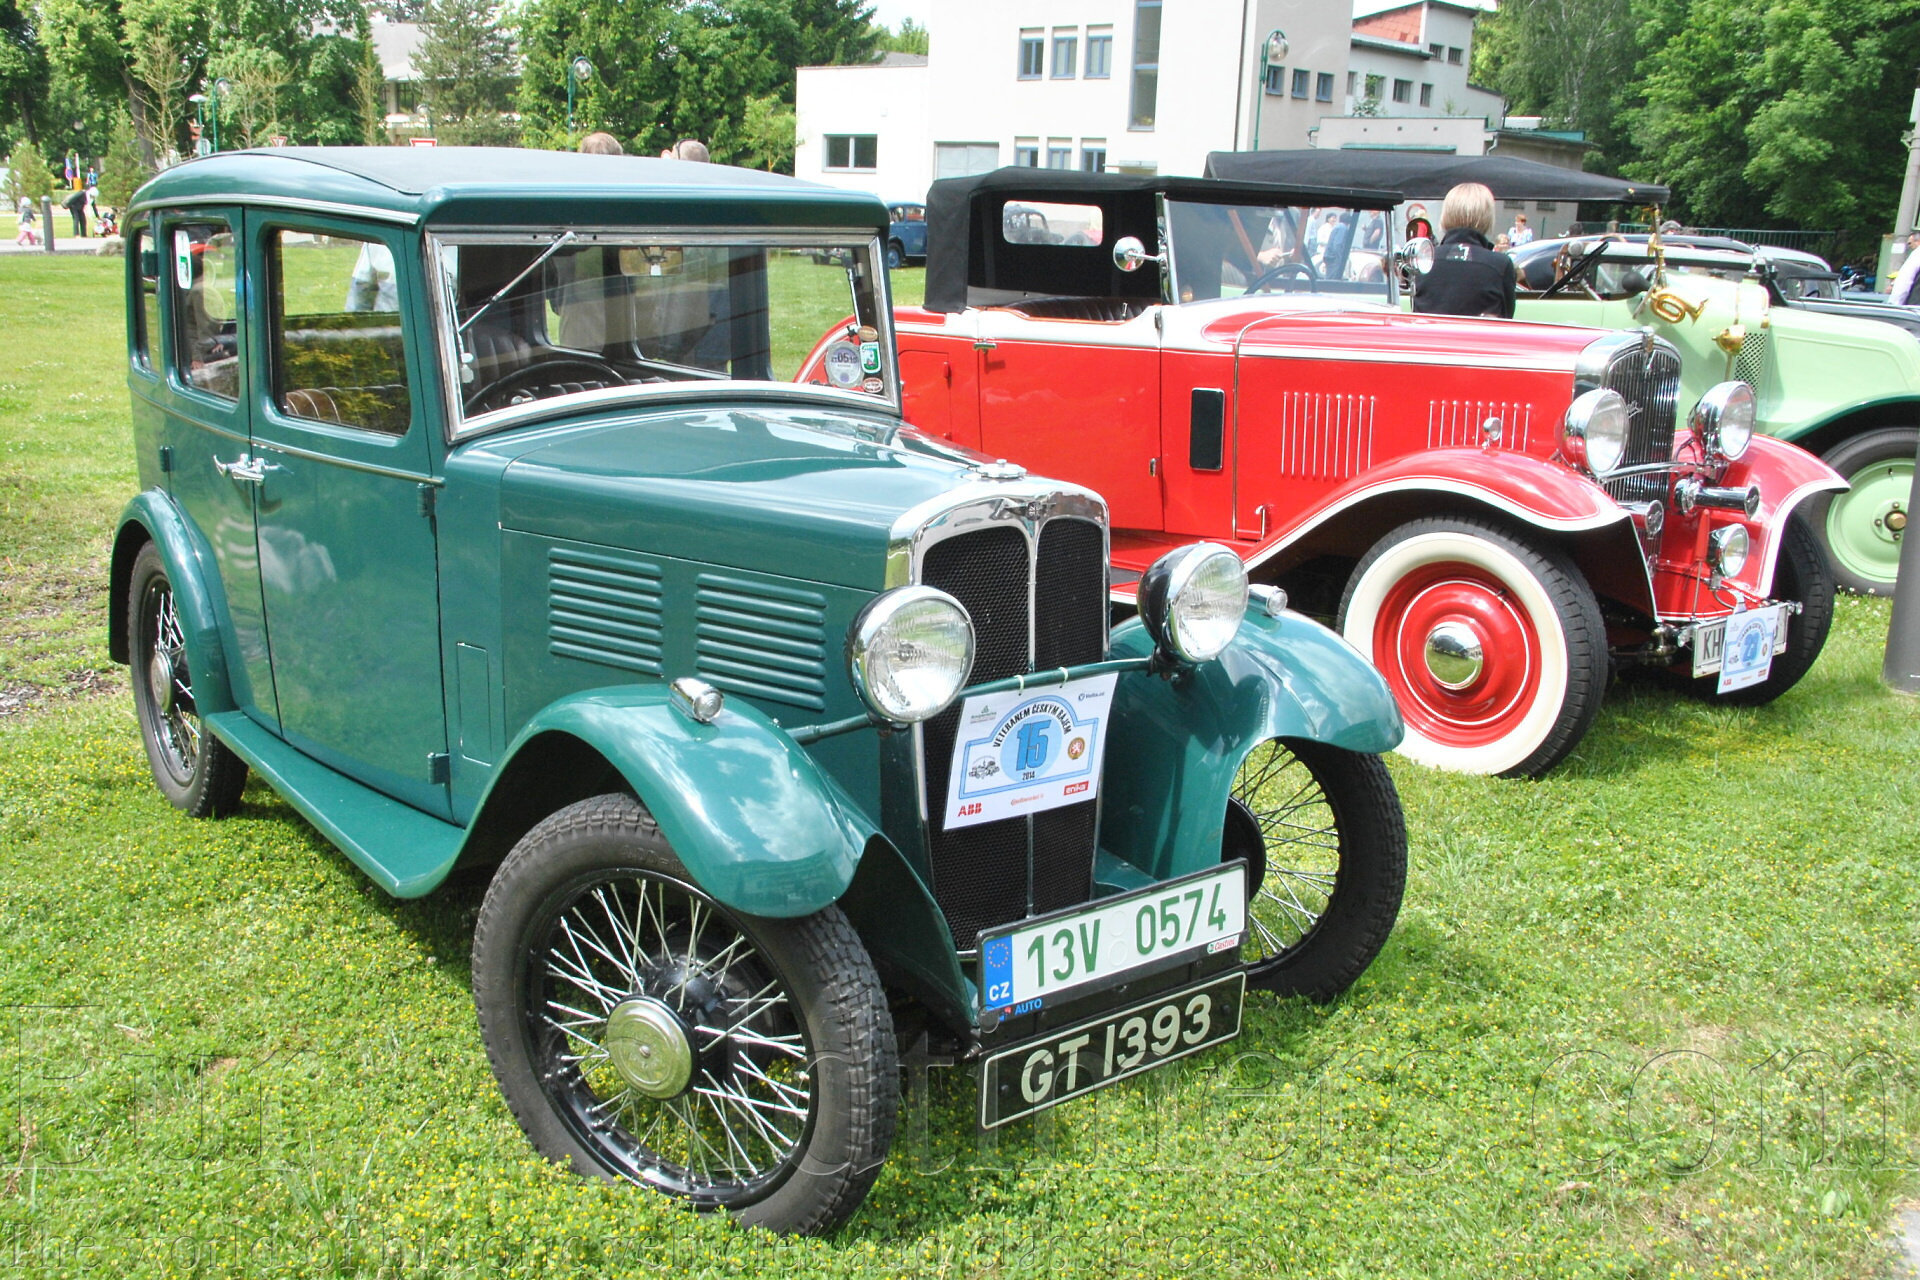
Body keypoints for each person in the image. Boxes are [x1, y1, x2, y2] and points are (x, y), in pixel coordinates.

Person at [1410, 182, 1517, 319]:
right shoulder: (1500, 265)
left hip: (1430, 333)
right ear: (1487, 217)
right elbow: (1506, 319)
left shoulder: (1425, 260)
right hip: (1478, 333)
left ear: (1446, 214)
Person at [1889, 230, 1920, 307]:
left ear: (1918, 241)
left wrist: (1894, 305)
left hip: (1915, 309)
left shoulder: (1917, 255)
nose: (1909, 246)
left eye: (1910, 243)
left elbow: (1904, 282)